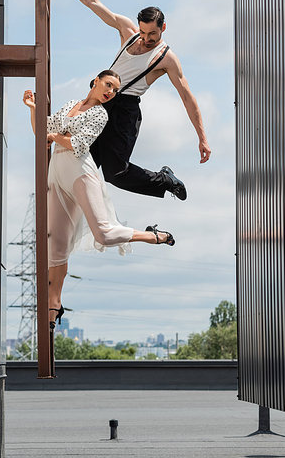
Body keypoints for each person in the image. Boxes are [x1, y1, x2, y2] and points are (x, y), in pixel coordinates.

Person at [23, 71, 175, 328]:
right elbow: (43, 130)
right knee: (56, 246)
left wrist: (54, 136)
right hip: (57, 173)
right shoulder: (72, 104)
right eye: (108, 85)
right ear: (95, 81)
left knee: (103, 234)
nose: (110, 92)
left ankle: (152, 236)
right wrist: (33, 108)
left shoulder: (100, 114)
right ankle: (53, 306)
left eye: (114, 90)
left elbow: (78, 145)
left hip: (80, 172)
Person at [48, 0, 212, 201]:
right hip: (100, 101)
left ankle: (165, 180)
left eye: (152, 35)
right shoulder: (127, 31)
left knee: (116, 173)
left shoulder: (167, 58)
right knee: (77, 157)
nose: (146, 39)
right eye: (143, 33)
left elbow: (187, 97)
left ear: (163, 28)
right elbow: (91, 2)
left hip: (125, 110)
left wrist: (202, 137)